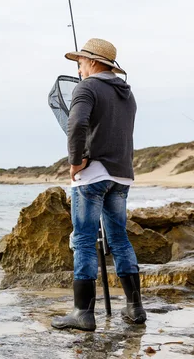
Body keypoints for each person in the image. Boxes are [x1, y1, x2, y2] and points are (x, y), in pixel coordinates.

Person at [51, 38, 146, 332]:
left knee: (83, 240)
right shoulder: (127, 94)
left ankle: (83, 313)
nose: (78, 69)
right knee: (119, 238)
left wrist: (75, 161)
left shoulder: (88, 87)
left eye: (80, 63)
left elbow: (76, 124)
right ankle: (134, 308)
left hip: (94, 175)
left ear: (93, 62)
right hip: (121, 176)